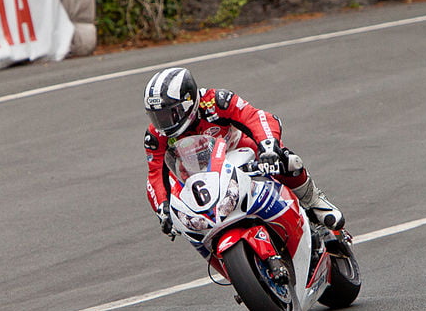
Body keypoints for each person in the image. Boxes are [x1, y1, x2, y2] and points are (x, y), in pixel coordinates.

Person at [143, 67, 345, 241]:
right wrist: (162, 207)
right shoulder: (155, 136)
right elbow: (155, 175)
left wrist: (268, 145)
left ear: (188, 103)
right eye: (156, 116)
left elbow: (255, 117)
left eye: (168, 114)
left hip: (242, 154)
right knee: (182, 219)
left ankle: (315, 202)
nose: (163, 123)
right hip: (199, 178)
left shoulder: (216, 101)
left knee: (288, 161)